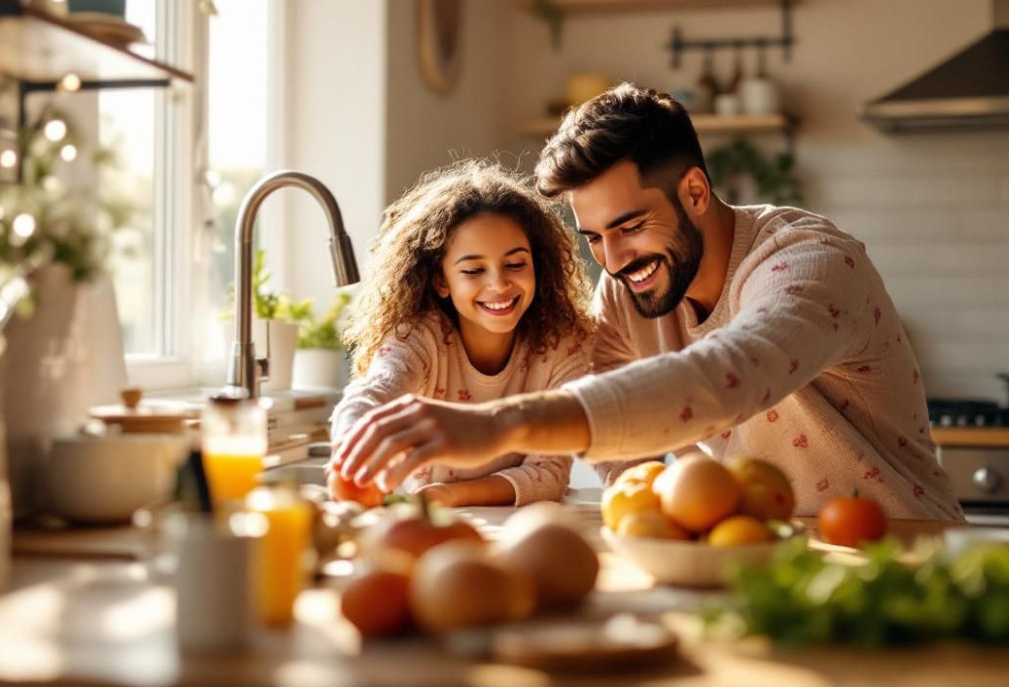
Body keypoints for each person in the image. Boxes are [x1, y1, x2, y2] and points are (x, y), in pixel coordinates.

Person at [334, 84, 962, 520]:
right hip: (752, 558)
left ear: (694, 191)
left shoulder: (812, 264)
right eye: (595, 238)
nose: (613, 260)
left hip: (899, 551)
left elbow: (727, 376)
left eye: (631, 226)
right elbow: (619, 451)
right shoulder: (628, 291)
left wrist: (500, 424)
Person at [329, 160, 592, 507]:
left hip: (517, 527)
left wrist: (446, 495)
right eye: (473, 270)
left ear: (538, 266)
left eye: (516, 264)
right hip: (430, 530)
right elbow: (373, 393)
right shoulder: (418, 338)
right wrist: (351, 448)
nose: (498, 284)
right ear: (441, 281)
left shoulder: (565, 346)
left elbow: (548, 473)